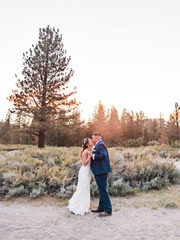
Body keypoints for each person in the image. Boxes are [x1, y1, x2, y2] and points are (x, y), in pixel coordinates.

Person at [67, 138, 93, 215]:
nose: (92, 141)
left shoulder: (90, 150)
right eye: (90, 141)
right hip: (84, 171)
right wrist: (90, 157)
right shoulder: (85, 152)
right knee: (82, 188)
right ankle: (77, 206)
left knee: (86, 188)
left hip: (87, 171)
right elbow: (84, 163)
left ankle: (84, 207)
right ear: (88, 144)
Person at [90, 132, 112, 217]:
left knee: (103, 190)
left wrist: (93, 155)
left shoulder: (101, 145)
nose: (92, 139)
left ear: (98, 137)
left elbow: (103, 155)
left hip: (101, 171)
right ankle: (101, 207)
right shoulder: (98, 145)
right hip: (99, 170)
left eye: (93, 138)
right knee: (101, 190)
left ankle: (108, 210)